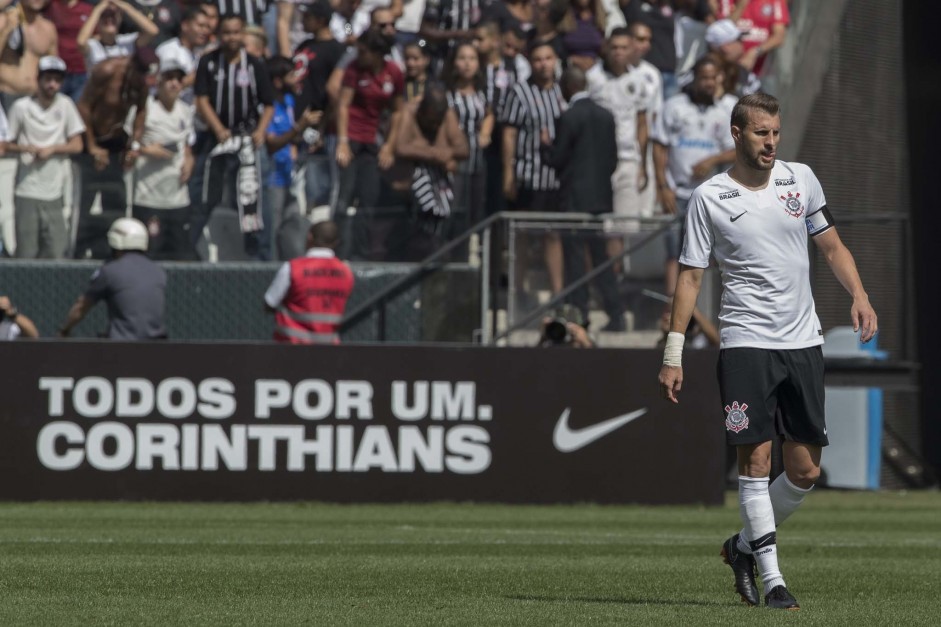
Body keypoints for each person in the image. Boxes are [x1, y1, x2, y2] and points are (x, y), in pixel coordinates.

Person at [657, 93, 878, 610]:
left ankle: (741, 547)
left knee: (804, 472)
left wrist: (860, 294)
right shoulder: (708, 197)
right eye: (761, 133)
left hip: (804, 341)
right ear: (736, 134)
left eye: (775, 132)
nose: (771, 142)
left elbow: (831, 245)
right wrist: (673, 352)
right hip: (745, 344)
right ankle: (773, 578)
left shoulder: (800, 179)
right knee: (754, 460)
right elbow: (690, 277)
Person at [544, 66, 623, 331]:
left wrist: (546, 146)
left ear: (566, 88)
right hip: (601, 199)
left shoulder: (569, 117)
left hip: (575, 201)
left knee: (575, 259)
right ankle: (617, 315)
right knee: (601, 258)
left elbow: (558, 159)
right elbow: (613, 160)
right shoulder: (606, 116)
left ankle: (580, 315)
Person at [652, 55, 734, 304]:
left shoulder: (727, 108)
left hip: (711, 196)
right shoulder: (674, 106)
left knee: (707, 254)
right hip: (677, 193)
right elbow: (659, 147)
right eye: (704, 78)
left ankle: (703, 311)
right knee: (673, 252)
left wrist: (711, 160)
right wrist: (663, 186)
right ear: (695, 79)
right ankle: (671, 309)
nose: (709, 83)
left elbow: (738, 149)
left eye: (713, 77)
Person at [74, 46, 157, 259]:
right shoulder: (107, 70)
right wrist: (92, 146)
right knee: (86, 203)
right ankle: (78, 251)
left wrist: (134, 144)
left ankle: (112, 251)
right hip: (93, 139)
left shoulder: (142, 80)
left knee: (116, 202)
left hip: (117, 143)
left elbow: (141, 109)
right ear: (131, 64)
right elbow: (83, 107)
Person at [501, 40, 565, 297]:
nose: (544, 64)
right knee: (523, 235)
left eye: (548, 58)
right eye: (538, 59)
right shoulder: (519, 92)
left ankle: (557, 292)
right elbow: (509, 134)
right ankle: (517, 290)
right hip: (529, 174)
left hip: (556, 178)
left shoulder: (562, 92)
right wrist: (508, 172)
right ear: (530, 63)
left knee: (553, 234)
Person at [4, 55, 85, 259]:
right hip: (26, 189)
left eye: (57, 80)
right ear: (38, 79)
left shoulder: (65, 105)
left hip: (55, 191)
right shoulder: (22, 107)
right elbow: (4, 146)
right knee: (27, 252)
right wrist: (25, 148)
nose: (52, 85)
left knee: (56, 250)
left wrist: (53, 149)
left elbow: (77, 144)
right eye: (48, 79)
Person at [59, 217, 168, 340]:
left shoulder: (109, 271)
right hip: (158, 345)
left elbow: (81, 307)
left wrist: (65, 330)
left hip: (121, 346)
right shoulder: (158, 272)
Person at [131, 58, 196, 260]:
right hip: (149, 198)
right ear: (158, 82)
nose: (174, 83)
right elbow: (129, 146)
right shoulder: (144, 109)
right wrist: (146, 151)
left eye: (178, 79)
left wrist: (189, 160)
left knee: (181, 256)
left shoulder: (186, 110)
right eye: (169, 78)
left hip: (177, 199)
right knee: (150, 256)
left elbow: (187, 145)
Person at [264, 219, 355, 344]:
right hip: (329, 350)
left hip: (291, 350)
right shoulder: (346, 272)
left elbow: (269, 303)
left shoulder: (293, 268)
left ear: (309, 237)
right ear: (336, 243)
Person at [76, 0, 159, 69]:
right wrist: (98, 9)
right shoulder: (92, 45)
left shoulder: (127, 42)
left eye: (113, 16)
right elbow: (81, 42)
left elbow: (152, 31)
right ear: (97, 20)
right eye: (104, 16)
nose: (109, 19)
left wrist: (126, 7)